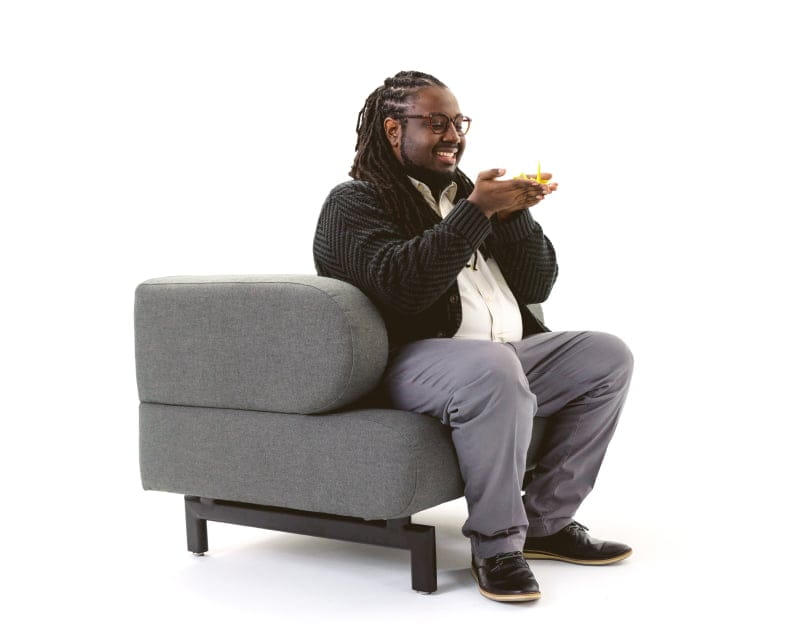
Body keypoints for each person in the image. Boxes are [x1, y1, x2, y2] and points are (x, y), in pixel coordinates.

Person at [313, 70, 634, 603]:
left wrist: (512, 218)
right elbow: (403, 289)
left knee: (605, 355)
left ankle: (546, 524)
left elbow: (537, 285)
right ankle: (496, 546)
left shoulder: (467, 195)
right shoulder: (356, 202)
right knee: (491, 366)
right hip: (413, 362)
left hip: (503, 357)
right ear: (393, 130)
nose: (454, 135)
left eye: (458, 122)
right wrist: (477, 212)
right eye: (435, 122)